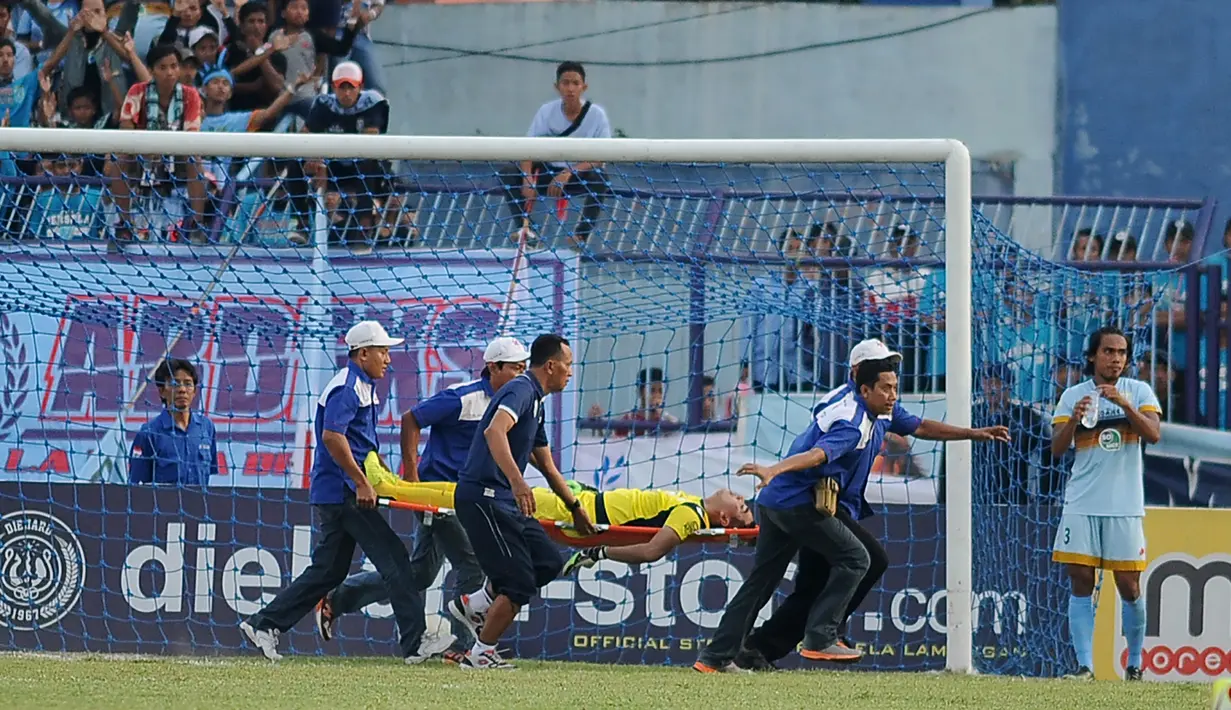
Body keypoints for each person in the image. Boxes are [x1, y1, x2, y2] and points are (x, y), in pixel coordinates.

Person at [708, 340, 1011, 673]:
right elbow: (818, 453)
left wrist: (971, 433)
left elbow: (921, 426)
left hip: (796, 501)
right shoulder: (852, 420)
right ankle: (822, 635)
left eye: (894, 382)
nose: (893, 391)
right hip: (802, 503)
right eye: (885, 382)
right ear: (860, 379)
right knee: (860, 559)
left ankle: (726, 655)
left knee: (786, 583)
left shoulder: (875, 406)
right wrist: (774, 468)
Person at [314, 337, 533, 656]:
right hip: (437, 495)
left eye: (525, 368)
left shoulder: (515, 403)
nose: (522, 374)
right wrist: (413, 477)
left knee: (419, 574)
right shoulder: (464, 397)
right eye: (516, 368)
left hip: (470, 498)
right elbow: (411, 419)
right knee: (471, 564)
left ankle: (337, 599)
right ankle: (464, 648)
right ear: (493, 368)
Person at [240, 321, 436, 664]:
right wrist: (361, 481)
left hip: (337, 491)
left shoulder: (361, 385)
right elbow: (333, 436)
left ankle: (264, 623)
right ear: (363, 354)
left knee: (329, 572)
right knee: (395, 560)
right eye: (383, 351)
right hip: (345, 492)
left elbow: (359, 443)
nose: (388, 359)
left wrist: (376, 475)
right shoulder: (348, 387)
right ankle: (416, 644)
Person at [450, 333, 596, 670]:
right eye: (568, 365)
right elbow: (494, 432)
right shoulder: (521, 389)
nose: (570, 372)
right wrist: (517, 483)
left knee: (546, 562)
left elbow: (546, 465)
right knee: (518, 584)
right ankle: (480, 654)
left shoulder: (537, 401)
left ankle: (477, 602)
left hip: (503, 500)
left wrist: (575, 507)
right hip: (484, 497)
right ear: (550, 365)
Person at [1050, 326, 1161, 681]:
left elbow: (1153, 435)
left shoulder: (1139, 392)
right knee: (1081, 580)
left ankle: (1135, 664)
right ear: (1093, 356)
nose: (1115, 358)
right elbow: (1056, 448)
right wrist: (1074, 419)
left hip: (1125, 504)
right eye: (1109, 351)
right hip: (1082, 501)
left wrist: (1124, 404)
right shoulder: (1073, 395)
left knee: (1129, 586)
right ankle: (1085, 666)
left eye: (1121, 352)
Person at [498, 60, 612, 247]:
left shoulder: (597, 115)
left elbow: (602, 156)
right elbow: (528, 147)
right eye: (565, 83)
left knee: (600, 178)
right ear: (557, 86)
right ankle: (526, 229)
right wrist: (527, 178)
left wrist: (569, 173)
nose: (570, 89)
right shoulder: (546, 111)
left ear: (584, 87)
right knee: (508, 172)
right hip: (547, 173)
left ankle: (581, 235)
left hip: (577, 175)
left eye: (575, 83)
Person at [128, 358, 217, 485]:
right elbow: (136, 485)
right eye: (175, 384)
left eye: (188, 384)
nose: (182, 390)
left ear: (194, 391)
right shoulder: (148, 433)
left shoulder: (206, 427)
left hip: (199, 504)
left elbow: (209, 472)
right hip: (163, 504)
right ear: (162, 391)